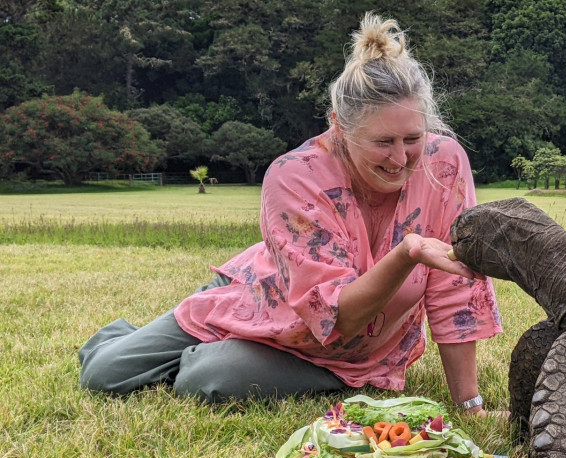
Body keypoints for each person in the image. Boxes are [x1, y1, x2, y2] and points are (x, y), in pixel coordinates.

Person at [78, 13, 502, 415]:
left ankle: (218, 357)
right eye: (383, 141)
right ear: (340, 125)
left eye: (412, 137)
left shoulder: (443, 162)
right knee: (104, 375)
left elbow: (456, 292)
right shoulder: (293, 175)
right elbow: (340, 312)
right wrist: (405, 254)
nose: (401, 157)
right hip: (262, 296)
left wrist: (470, 404)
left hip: (345, 352)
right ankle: (170, 332)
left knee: (208, 379)